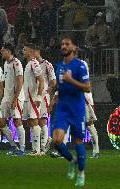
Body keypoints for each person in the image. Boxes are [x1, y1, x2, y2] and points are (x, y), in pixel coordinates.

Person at [53, 36, 91, 187]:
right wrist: (53, 89)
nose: (64, 46)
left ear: (74, 48)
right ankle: (72, 160)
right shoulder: (59, 66)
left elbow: (87, 87)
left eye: (67, 44)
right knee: (57, 141)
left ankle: (81, 173)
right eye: (62, 44)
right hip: (62, 107)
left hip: (76, 108)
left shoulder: (80, 66)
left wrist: (71, 80)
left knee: (78, 142)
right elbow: (61, 85)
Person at [0, 43, 26, 156]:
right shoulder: (5, 64)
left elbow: (20, 81)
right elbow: (4, 81)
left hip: (16, 97)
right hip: (6, 97)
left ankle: (22, 149)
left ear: (9, 51)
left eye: (3, 50)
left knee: (17, 121)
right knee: (1, 122)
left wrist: (15, 98)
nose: (1, 52)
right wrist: (2, 96)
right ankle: (14, 146)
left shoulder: (17, 63)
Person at [22, 44, 44, 156]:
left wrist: (39, 96)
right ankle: (36, 148)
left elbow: (41, 80)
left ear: (31, 51)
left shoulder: (34, 63)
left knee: (34, 121)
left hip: (33, 97)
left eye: (25, 49)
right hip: (27, 97)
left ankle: (37, 150)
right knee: (30, 121)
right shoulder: (28, 64)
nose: (23, 51)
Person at [35, 49, 56, 155]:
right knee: (35, 120)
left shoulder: (47, 64)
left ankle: (43, 147)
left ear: (38, 52)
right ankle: (44, 142)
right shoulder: (31, 64)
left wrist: (49, 89)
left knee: (42, 120)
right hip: (34, 96)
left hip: (43, 96)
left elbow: (53, 81)